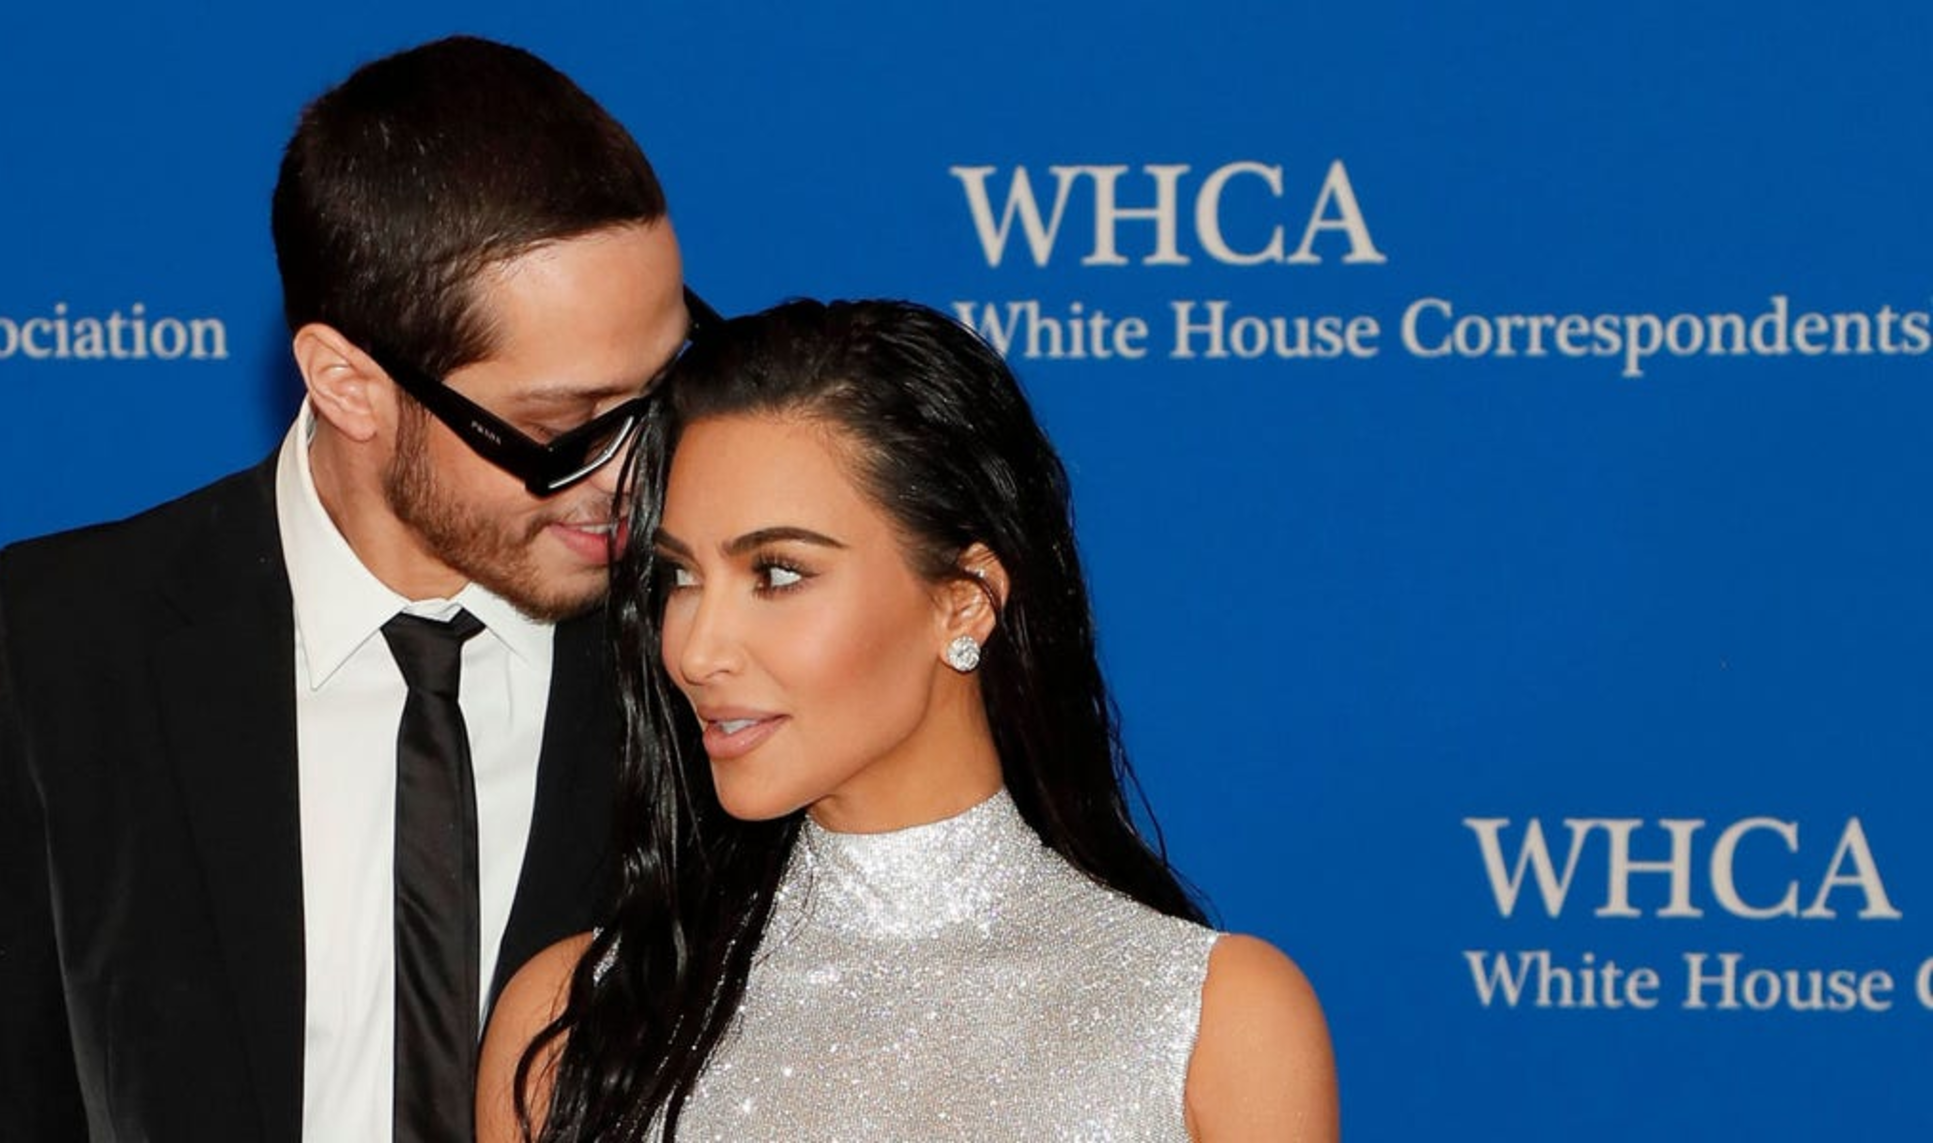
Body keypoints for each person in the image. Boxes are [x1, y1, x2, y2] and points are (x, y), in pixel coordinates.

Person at [0, 37, 700, 1143]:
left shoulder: (702, 642)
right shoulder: (74, 637)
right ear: (348, 384)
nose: (629, 473)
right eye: (560, 428)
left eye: (658, 391)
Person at [476, 300, 1338, 1141]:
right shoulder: (571, 1024)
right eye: (682, 576)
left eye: (777, 573)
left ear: (965, 601)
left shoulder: (1208, 1023)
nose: (696, 650)